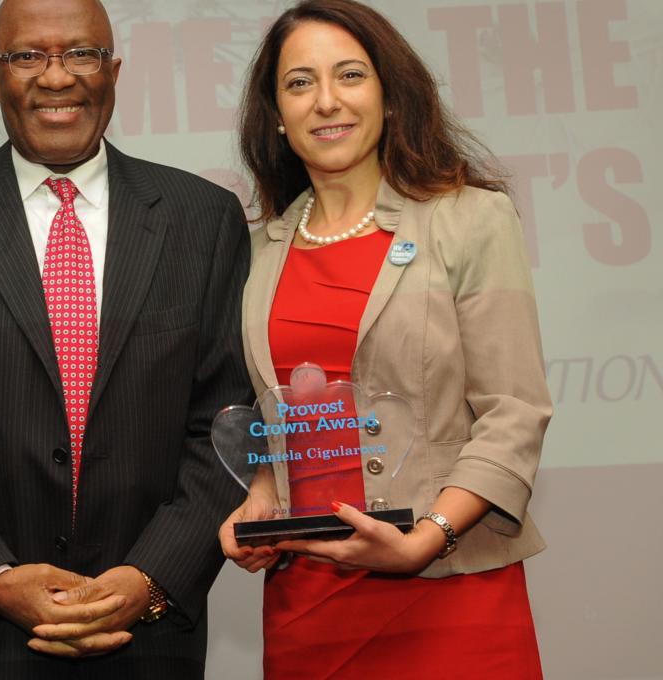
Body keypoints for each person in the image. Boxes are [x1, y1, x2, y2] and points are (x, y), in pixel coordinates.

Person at [0, 0, 252, 677]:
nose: (57, 76)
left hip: (150, 637)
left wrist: (150, 577)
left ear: (114, 71)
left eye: (82, 54)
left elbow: (227, 419)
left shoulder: (204, 218)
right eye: (27, 56)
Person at [219, 1, 552, 677]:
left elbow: (514, 411)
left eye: (350, 75)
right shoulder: (255, 251)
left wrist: (429, 537)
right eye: (300, 83)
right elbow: (272, 416)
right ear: (277, 115)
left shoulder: (471, 220)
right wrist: (259, 495)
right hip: (309, 600)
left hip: (451, 588)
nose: (326, 101)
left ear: (389, 95)